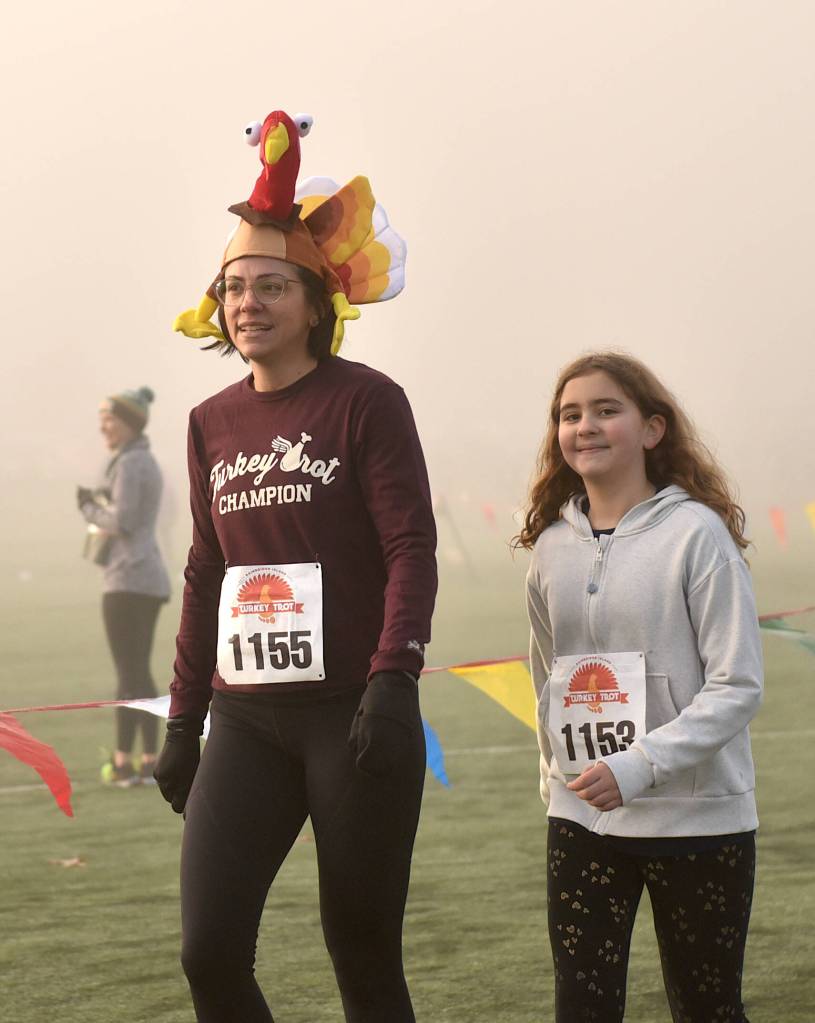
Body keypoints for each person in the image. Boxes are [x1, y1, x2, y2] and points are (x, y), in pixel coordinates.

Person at [153, 109, 437, 1023]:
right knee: (208, 952)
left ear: (316, 304)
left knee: (362, 954)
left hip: (352, 714)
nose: (248, 303)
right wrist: (183, 719)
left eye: (272, 286)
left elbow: (409, 545)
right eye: (234, 288)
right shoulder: (209, 422)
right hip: (244, 721)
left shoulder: (367, 403)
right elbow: (206, 573)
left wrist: (393, 677)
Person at [517, 352, 762, 1023]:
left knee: (707, 1009)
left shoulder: (697, 536)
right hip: (583, 819)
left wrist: (640, 765)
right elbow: (547, 676)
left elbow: (737, 684)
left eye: (606, 410)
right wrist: (556, 778)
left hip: (697, 818)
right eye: (570, 414)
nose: (585, 426)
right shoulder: (550, 548)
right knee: (582, 1010)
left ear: (652, 429)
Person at [78, 386, 171, 786]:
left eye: (109, 420)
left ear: (130, 424)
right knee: (137, 673)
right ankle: (145, 761)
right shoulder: (135, 459)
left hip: (129, 578)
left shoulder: (132, 463)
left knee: (128, 674)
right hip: (142, 577)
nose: (103, 427)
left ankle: (125, 764)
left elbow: (124, 521)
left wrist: (87, 506)